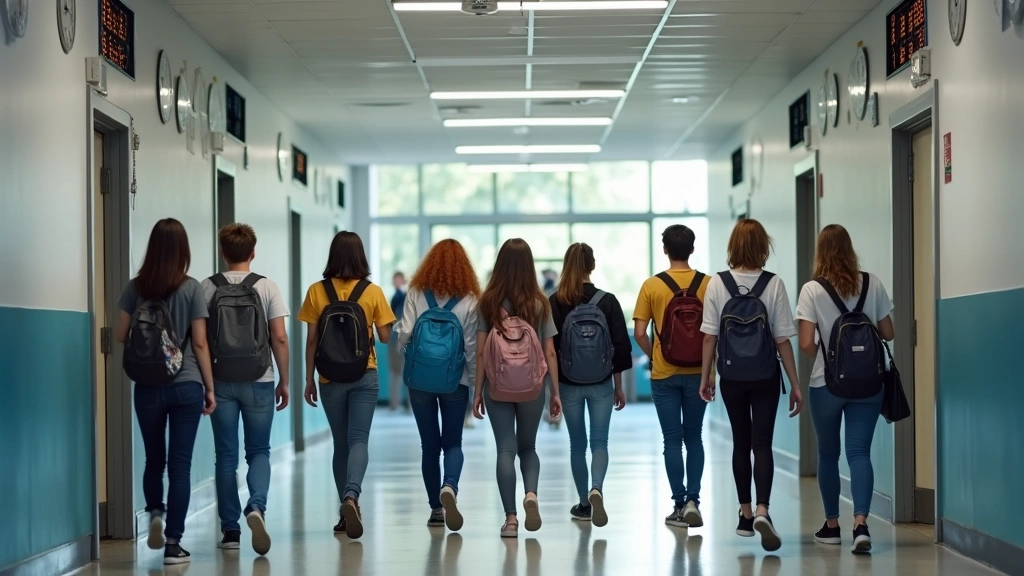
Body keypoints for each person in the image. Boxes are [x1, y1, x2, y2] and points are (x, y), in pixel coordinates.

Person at [114, 218, 215, 565]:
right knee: (180, 466)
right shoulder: (191, 288)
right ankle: (173, 544)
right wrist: (210, 388)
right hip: (186, 384)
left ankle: (155, 513)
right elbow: (200, 343)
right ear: (183, 250)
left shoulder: (134, 287)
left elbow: (119, 335)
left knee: (153, 460)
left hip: (147, 387)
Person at [698, 218, 803, 552]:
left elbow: (709, 337)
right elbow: (782, 339)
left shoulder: (717, 284)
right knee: (763, 443)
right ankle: (763, 510)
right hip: (765, 376)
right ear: (763, 247)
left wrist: (706, 376)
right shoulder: (774, 284)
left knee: (740, 442)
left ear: (733, 247)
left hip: (731, 376)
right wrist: (795, 384)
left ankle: (744, 514)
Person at [796, 224, 894, 554]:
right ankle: (862, 524)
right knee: (859, 453)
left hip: (827, 385)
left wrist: (829, 358)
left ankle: (832, 526)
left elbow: (807, 343)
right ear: (849, 250)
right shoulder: (873, 283)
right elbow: (889, 333)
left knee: (828, 454)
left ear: (820, 253)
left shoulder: (812, 290)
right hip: (869, 384)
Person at [299, 231, 396, 539]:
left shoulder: (317, 291)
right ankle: (352, 496)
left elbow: (312, 340)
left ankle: (345, 510)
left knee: (340, 445)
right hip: (364, 374)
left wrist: (308, 379)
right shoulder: (373, 291)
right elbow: (384, 337)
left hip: (329, 378)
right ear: (361, 256)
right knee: (359, 441)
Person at [202, 224, 290, 555]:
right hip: (260, 380)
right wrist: (284, 379)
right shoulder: (267, 287)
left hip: (220, 380)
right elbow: (279, 337)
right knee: (258, 451)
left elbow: (198, 340)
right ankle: (256, 506)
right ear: (253, 253)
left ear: (223, 252)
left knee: (225, 455)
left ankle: (230, 531)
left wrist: (204, 383)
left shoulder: (207, 287)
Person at [473, 238, 561, 538]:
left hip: (497, 387)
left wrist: (476, 392)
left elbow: (482, 351)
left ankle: (510, 520)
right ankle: (531, 495)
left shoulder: (488, 302)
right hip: (532, 387)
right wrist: (556, 393)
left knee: (505, 450)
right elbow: (550, 353)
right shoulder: (539, 303)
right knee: (528, 448)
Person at [395, 240, 480, 531]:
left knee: (429, 447)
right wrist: (475, 384)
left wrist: (408, 354)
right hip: (455, 381)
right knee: (453, 443)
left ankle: (436, 510)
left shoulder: (416, 292)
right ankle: (450, 487)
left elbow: (404, 333)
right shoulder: (470, 298)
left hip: (420, 381)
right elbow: (471, 347)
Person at [634, 224, 712, 529]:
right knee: (695, 436)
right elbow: (713, 334)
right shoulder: (709, 284)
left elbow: (640, 333)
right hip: (699, 372)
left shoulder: (652, 286)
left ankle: (679, 505)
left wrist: (655, 355)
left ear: (665, 249)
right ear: (692, 249)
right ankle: (694, 500)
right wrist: (710, 371)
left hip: (664, 373)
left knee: (672, 440)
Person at [549, 243, 630, 527]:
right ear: (592, 266)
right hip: (601, 382)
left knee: (576, 445)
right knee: (599, 442)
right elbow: (620, 347)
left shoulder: (555, 301)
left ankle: (584, 503)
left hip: (568, 383)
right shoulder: (607, 301)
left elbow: (551, 350)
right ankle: (597, 487)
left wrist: (554, 392)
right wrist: (618, 385)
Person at [389, 271, 409, 411]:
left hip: (404, 338)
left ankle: (408, 403)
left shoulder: (405, 297)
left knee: (405, 370)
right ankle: (395, 403)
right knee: (396, 371)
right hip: (396, 338)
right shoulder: (396, 298)